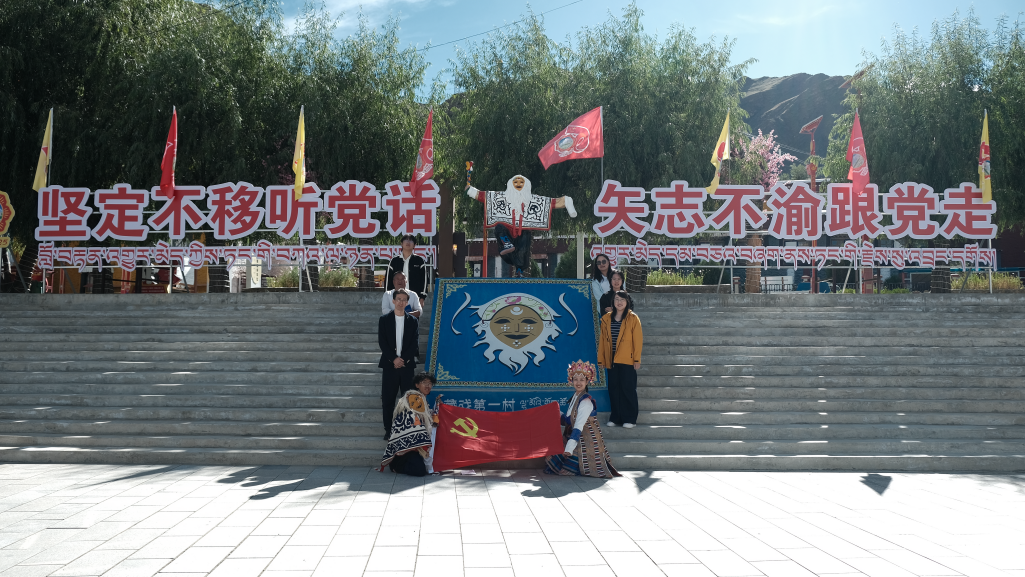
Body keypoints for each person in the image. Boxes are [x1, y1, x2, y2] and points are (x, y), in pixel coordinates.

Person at [466, 175, 577, 278]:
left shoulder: (533, 200)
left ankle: (519, 271)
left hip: (522, 233)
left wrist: (566, 201)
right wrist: (470, 189)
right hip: (507, 233)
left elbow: (550, 203)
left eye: (521, 182)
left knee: (523, 247)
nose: (518, 184)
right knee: (499, 227)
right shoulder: (501, 197)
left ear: (526, 185)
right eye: (515, 182)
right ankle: (506, 243)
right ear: (511, 184)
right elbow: (483, 196)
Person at [544, 360, 620, 478]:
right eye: (576, 379)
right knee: (552, 457)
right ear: (571, 381)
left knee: (564, 469)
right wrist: (555, 413)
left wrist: (569, 448)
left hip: (585, 438)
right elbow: (568, 420)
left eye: (581, 380)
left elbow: (578, 426)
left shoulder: (585, 402)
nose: (578, 383)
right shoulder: (575, 397)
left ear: (587, 382)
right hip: (574, 435)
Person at [380, 372, 440, 476]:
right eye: (424, 382)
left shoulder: (421, 399)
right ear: (417, 385)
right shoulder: (413, 398)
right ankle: (395, 465)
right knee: (419, 471)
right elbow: (414, 418)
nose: (427, 385)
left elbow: (425, 417)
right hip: (407, 443)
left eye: (430, 383)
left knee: (422, 468)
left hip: (415, 443)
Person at [378, 291, 420, 440]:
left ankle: (407, 429)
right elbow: (382, 342)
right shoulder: (384, 320)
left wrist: (403, 359)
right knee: (388, 400)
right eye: (398, 299)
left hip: (407, 367)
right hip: (390, 366)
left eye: (404, 300)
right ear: (393, 301)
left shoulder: (412, 321)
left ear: (407, 303)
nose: (401, 302)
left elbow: (414, 343)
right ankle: (389, 430)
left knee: (408, 400)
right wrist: (394, 359)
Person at [598, 291, 642, 428]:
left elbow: (638, 340)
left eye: (622, 299)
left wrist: (636, 359)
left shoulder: (633, 318)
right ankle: (616, 417)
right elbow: (602, 341)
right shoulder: (606, 318)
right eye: (616, 299)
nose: (619, 302)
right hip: (611, 360)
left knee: (628, 389)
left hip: (627, 359)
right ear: (613, 301)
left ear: (627, 302)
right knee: (614, 389)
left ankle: (630, 419)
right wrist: (601, 359)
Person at [386, 234, 430, 300]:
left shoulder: (419, 260)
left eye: (411, 240)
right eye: (406, 240)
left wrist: (422, 298)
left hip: (414, 298)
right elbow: (388, 280)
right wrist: (388, 297)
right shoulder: (394, 261)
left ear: (414, 245)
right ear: (401, 243)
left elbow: (424, 280)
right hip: (397, 299)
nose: (408, 242)